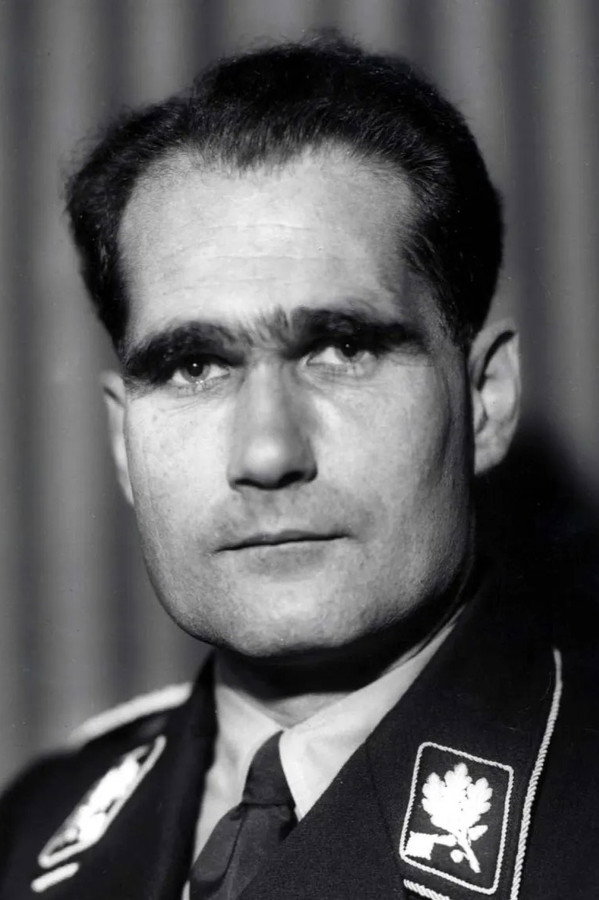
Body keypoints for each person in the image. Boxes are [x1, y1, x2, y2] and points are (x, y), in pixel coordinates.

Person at [1, 35, 597, 900]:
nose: (268, 454)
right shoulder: (29, 832)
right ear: (123, 442)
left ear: (484, 399)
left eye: (342, 348)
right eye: (193, 366)